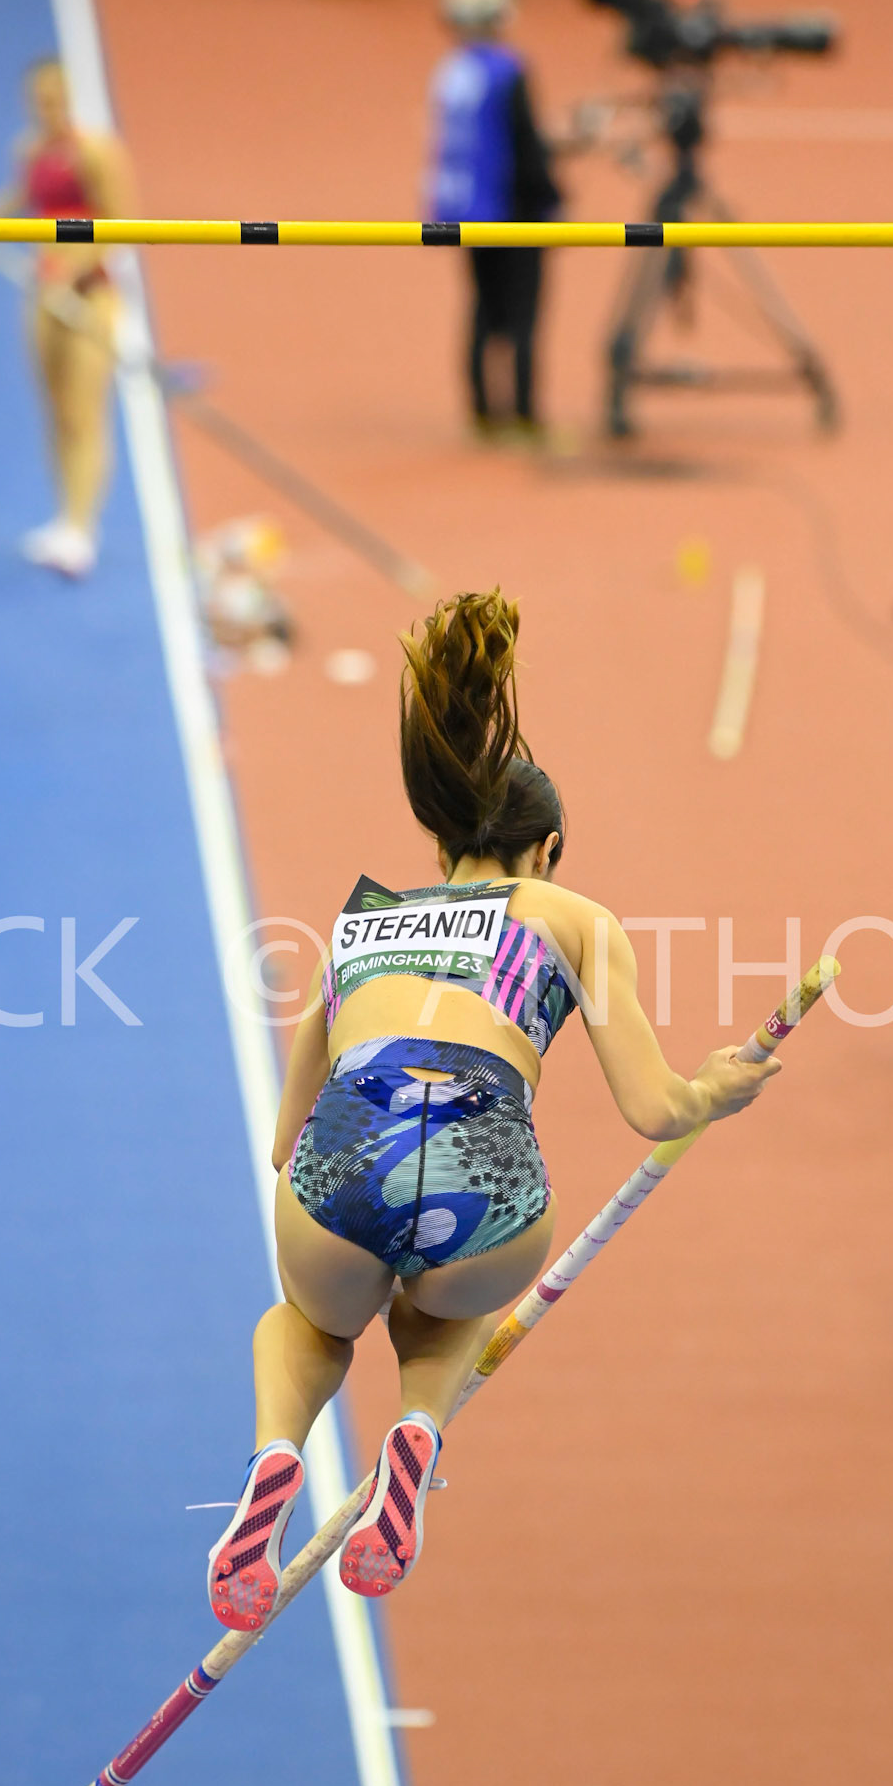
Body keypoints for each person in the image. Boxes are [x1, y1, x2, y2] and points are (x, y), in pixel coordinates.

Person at [205, 589, 779, 1630]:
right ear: (548, 849)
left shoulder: (361, 924)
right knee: (443, 1309)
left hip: (343, 1159)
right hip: (486, 1183)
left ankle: (277, 1453)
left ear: (440, 853)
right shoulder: (572, 917)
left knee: (308, 1321)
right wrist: (719, 1090)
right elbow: (657, 1108)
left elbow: (287, 1142)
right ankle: (417, 1428)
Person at [0, 59, 132, 578]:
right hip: (45, 294)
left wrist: (75, 267)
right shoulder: (29, 150)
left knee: (86, 415)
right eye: (40, 101)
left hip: (89, 295)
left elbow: (122, 224)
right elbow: (21, 202)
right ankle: (65, 517)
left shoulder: (96, 152)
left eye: (57, 100)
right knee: (57, 412)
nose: (49, 110)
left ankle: (84, 529)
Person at [426, 0, 561, 438]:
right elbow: (523, 144)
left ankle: (483, 412)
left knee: (483, 307)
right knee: (523, 313)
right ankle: (525, 416)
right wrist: (550, 198)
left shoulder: (453, 71)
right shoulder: (508, 70)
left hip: (465, 209)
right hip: (510, 208)